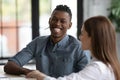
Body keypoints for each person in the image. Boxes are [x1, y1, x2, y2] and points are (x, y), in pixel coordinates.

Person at [4, 5, 89, 78]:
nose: (57, 24)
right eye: (54, 19)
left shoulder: (79, 48)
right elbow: (9, 66)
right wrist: (29, 72)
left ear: (69, 25)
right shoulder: (38, 43)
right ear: (49, 21)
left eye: (62, 21)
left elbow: (85, 77)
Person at [26, 16, 120, 80]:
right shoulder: (105, 64)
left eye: (83, 34)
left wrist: (40, 76)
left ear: (92, 38)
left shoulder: (98, 68)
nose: (80, 37)